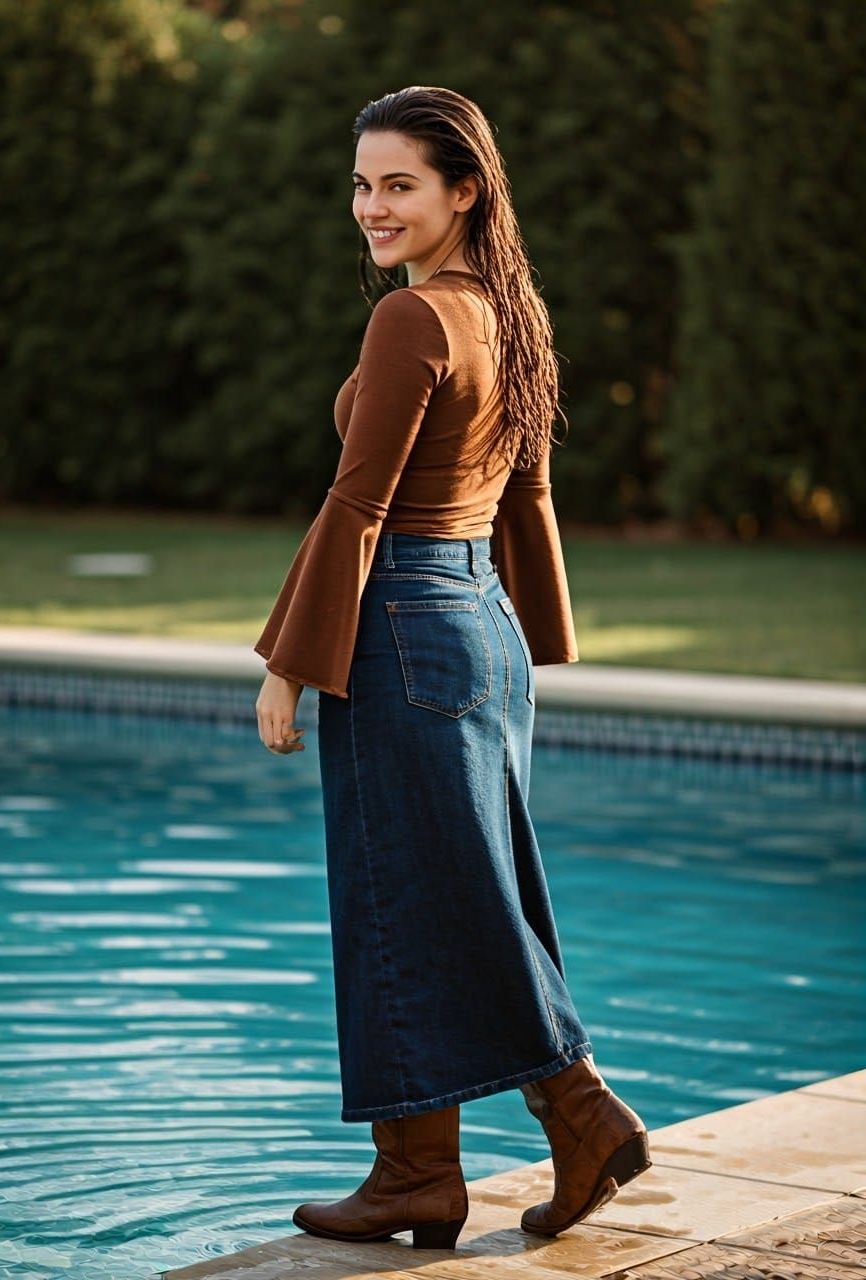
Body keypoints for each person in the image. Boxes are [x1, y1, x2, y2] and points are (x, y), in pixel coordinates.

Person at [253, 85, 650, 1253]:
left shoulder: (412, 319)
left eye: (398, 184)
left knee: (412, 889)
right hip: (476, 627)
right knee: (437, 887)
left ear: (462, 190)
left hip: (403, 629)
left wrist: (288, 661)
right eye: (362, 183)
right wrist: (530, 643)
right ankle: (416, 1172)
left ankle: (577, 1111)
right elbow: (523, 493)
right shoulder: (508, 309)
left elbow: (359, 500)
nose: (370, 206)